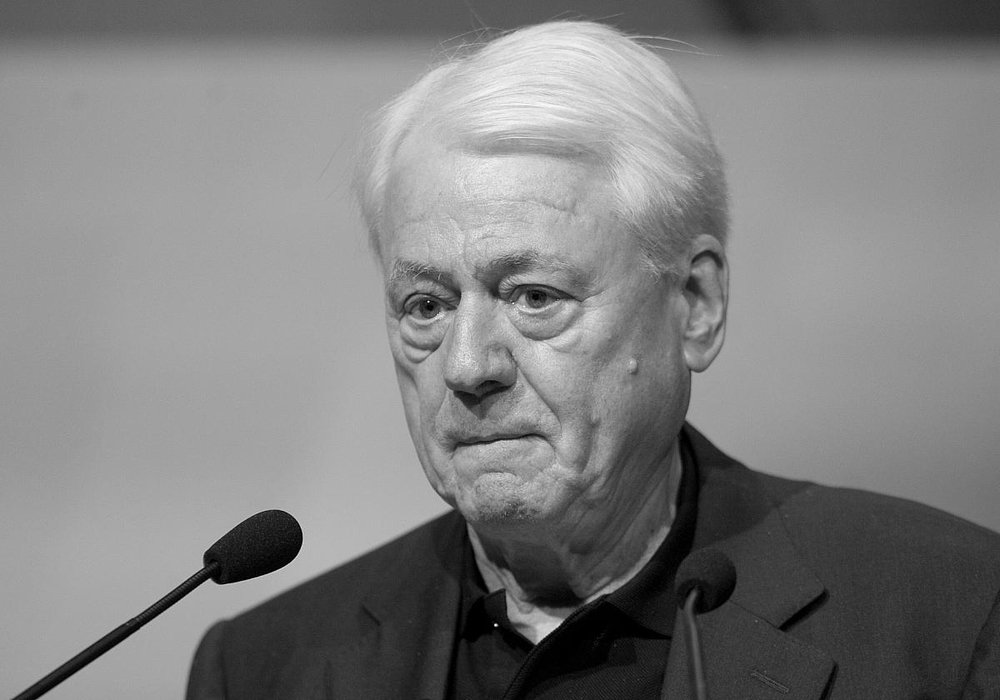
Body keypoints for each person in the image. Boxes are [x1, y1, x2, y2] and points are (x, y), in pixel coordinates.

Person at [186, 20, 1000, 700]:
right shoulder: (261, 670)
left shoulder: (946, 616)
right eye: (426, 306)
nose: (467, 367)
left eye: (534, 296)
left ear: (695, 304)